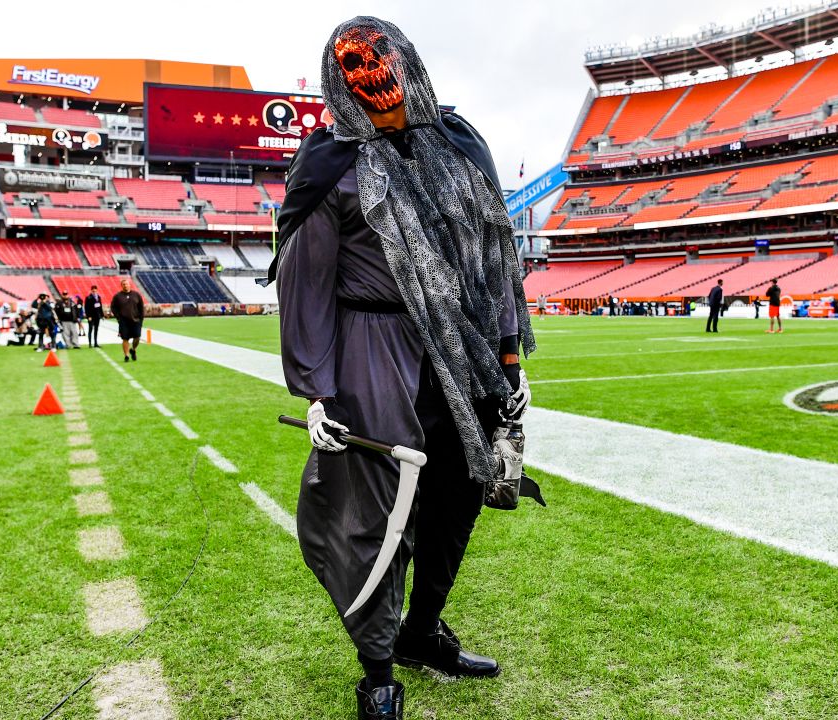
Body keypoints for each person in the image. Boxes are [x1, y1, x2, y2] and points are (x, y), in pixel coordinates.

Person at [272, 17, 535, 720]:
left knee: (459, 495)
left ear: (409, 62)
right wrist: (318, 391)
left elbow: (497, 261)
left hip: (465, 353)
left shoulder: (459, 142)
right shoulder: (329, 161)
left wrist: (509, 360)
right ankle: (379, 668)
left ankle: (424, 632)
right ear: (338, 82)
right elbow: (306, 281)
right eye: (353, 67)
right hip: (372, 350)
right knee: (376, 514)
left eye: (380, 60)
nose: (372, 78)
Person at [110, 277, 145, 362]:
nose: (125, 285)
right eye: (124, 284)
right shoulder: (117, 296)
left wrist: (141, 318)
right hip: (124, 321)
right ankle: (126, 356)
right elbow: (113, 307)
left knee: (137, 337)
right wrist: (118, 317)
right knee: (125, 338)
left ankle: (133, 349)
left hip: (136, 320)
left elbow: (141, 307)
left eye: (127, 284)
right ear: (121, 286)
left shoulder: (136, 295)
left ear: (130, 285)